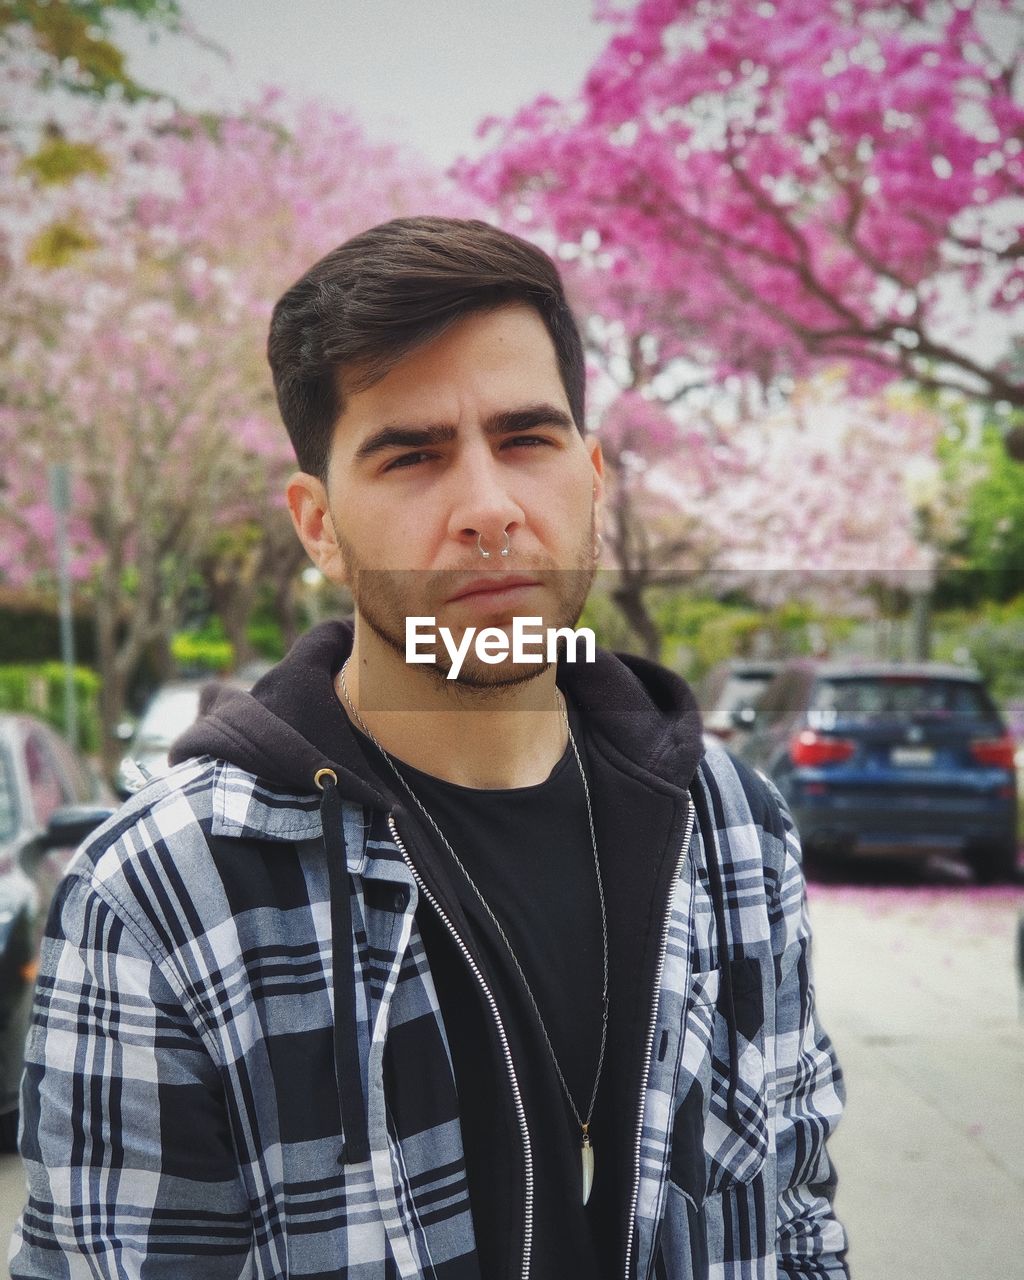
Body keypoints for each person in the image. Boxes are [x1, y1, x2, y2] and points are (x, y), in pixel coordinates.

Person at [11, 217, 849, 1279]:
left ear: (591, 473)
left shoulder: (732, 826)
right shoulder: (164, 891)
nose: (489, 508)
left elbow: (795, 1212)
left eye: (527, 439)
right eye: (412, 455)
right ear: (318, 524)